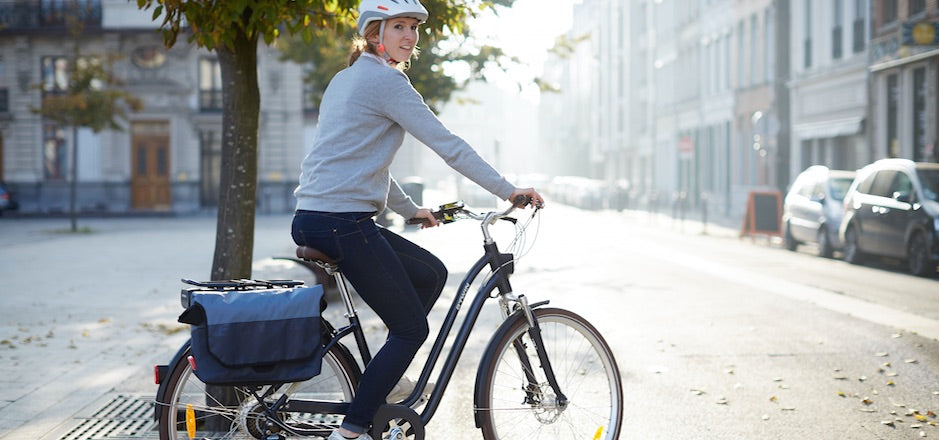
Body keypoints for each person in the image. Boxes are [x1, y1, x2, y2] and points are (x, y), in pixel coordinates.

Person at [291, 1, 543, 438]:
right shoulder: (387, 82)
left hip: (319, 216)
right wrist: (509, 190)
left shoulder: (346, 79)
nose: (409, 36)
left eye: (413, 27)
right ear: (375, 34)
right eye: (399, 27)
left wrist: (411, 211)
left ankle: (383, 381)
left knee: (430, 273)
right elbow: (449, 145)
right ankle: (350, 430)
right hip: (342, 222)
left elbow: (357, 161)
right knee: (411, 329)